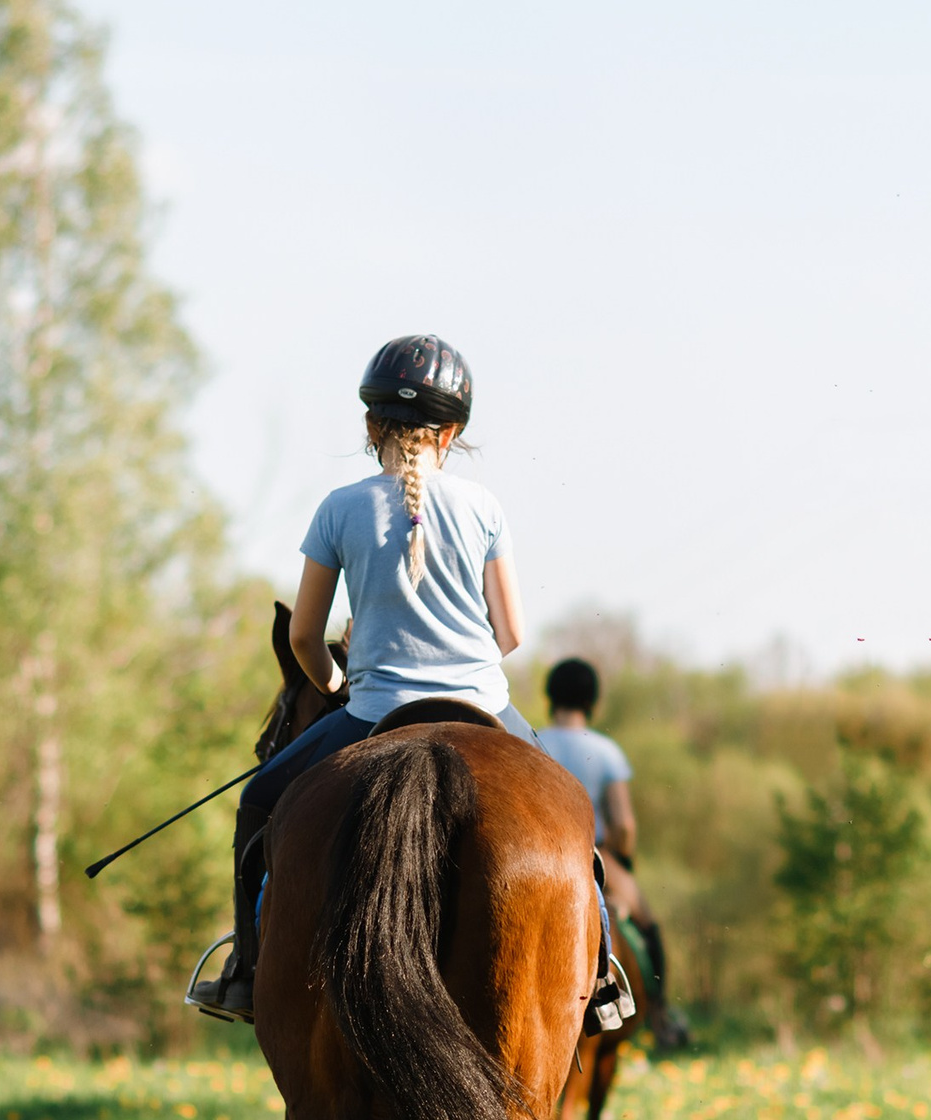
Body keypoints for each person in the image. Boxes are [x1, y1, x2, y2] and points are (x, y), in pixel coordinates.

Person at [191, 334, 623, 1025]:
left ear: (371, 427)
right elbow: (512, 633)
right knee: (573, 818)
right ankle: (600, 977)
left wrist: (336, 684)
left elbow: (303, 637)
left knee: (258, 804)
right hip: (484, 706)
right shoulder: (484, 506)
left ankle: (244, 969)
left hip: (372, 711)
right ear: (450, 433)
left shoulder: (339, 508)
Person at [538, 658, 687, 1048]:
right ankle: (659, 1014)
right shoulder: (606, 751)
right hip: (593, 853)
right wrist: (624, 861)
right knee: (648, 923)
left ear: (550, 696)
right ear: (593, 701)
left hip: (543, 852)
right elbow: (624, 824)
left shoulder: (532, 739)